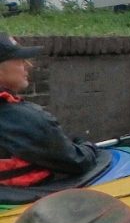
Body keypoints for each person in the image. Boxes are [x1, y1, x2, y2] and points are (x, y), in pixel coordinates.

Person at [0, 32, 105, 187]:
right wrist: (88, 147)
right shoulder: (24, 119)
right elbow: (77, 162)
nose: (28, 66)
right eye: (20, 61)